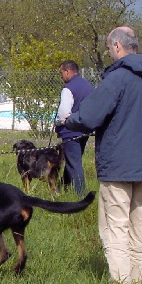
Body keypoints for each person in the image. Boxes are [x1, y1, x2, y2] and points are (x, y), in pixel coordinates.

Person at [62, 27, 142, 284]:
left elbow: (90, 116)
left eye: (109, 48)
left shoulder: (117, 78)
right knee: (139, 225)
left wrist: (70, 121)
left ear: (118, 46)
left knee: (115, 226)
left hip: (117, 166)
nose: (109, 53)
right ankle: (137, 281)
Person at [55, 60, 94, 195]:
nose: (61, 76)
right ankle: (60, 188)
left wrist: (58, 123)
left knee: (74, 164)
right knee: (72, 161)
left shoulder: (68, 88)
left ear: (67, 71)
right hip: (84, 130)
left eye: (61, 73)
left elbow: (63, 113)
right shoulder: (88, 86)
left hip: (70, 131)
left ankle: (81, 194)